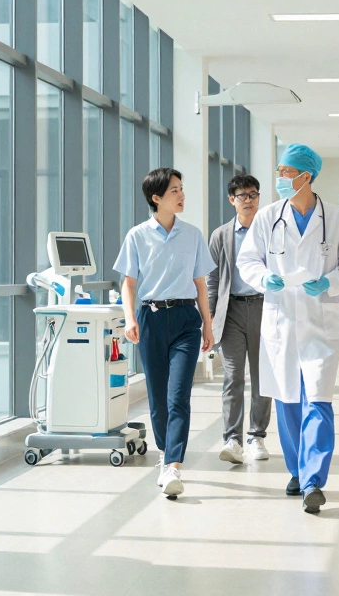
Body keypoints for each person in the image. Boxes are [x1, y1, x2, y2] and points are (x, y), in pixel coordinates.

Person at [236, 144, 339, 514]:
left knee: (318, 401)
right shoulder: (267, 217)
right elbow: (247, 260)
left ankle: (312, 481)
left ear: (307, 176)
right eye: (279, 170)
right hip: (282, 321)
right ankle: (297, 470)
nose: (281, 178)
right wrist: (265, 278)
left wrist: (329, 282)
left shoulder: (337, 218)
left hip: (321, 322)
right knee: (289, 401)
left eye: (287, 171)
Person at [114, 168, 216, 500]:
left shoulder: (193, 234)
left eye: (182, 189)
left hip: (187, 319)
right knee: (158, 399)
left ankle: (173, 465)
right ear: (157, 198)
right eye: (175, 191)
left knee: (178, 396)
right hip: (151, 319)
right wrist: (130, 319)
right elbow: (128, 283)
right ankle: (164, 453)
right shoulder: (137, 235)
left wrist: (208, 324)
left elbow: (201, 283)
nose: (182, 195)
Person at [207, 174, 272, 464]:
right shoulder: (221, 235)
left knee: (262, 378)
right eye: (242, 196)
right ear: (232, 200)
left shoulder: (270, 231)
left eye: (253, 194)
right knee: (233, 377)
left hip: (264, 309)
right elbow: (211, 278)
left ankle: (256, 437)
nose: (248, 200)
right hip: (231, 311)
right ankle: (232, 439)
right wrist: (208, 318)